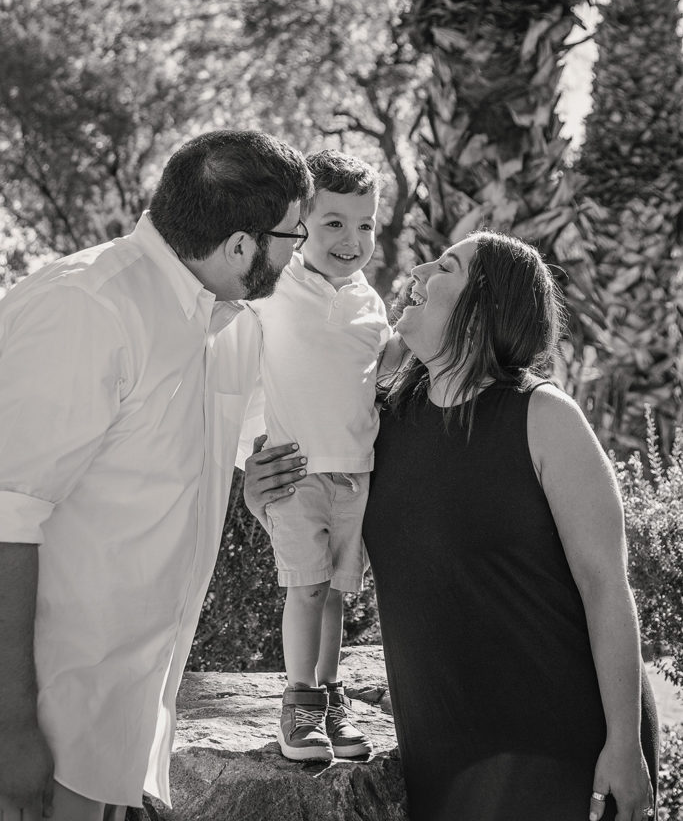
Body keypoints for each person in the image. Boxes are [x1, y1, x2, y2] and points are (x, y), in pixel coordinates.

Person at [244, 230, 659, 821]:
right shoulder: (384, 424)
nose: (416, 270)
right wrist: (269, 501)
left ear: (482, 304)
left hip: (567, 743)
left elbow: (605, 587)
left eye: (446, 266)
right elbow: (340, 556)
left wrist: (624, 744)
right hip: (443, 757)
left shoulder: (543, 417)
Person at [0, 129, 312, 821]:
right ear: (240, 244)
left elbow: (249, 442)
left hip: (123, 729)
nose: (301, 254)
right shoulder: (86, 308)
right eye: (294, 235)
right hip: (44, 725)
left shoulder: (231, 326)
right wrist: (10, 731)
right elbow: (3, 518)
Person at [244, 149, 391, 762]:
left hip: (355, 476)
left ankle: (328, 702)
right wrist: (246, 460)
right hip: (297, 471)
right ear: (300, 223)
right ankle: (297, 704)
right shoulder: (273, 287)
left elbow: (376, 380)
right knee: (304, 591)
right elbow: (230, 361)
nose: (351, 239)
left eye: (365, 225)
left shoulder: (372, 303)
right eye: (333, 223)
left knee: (334, 594)